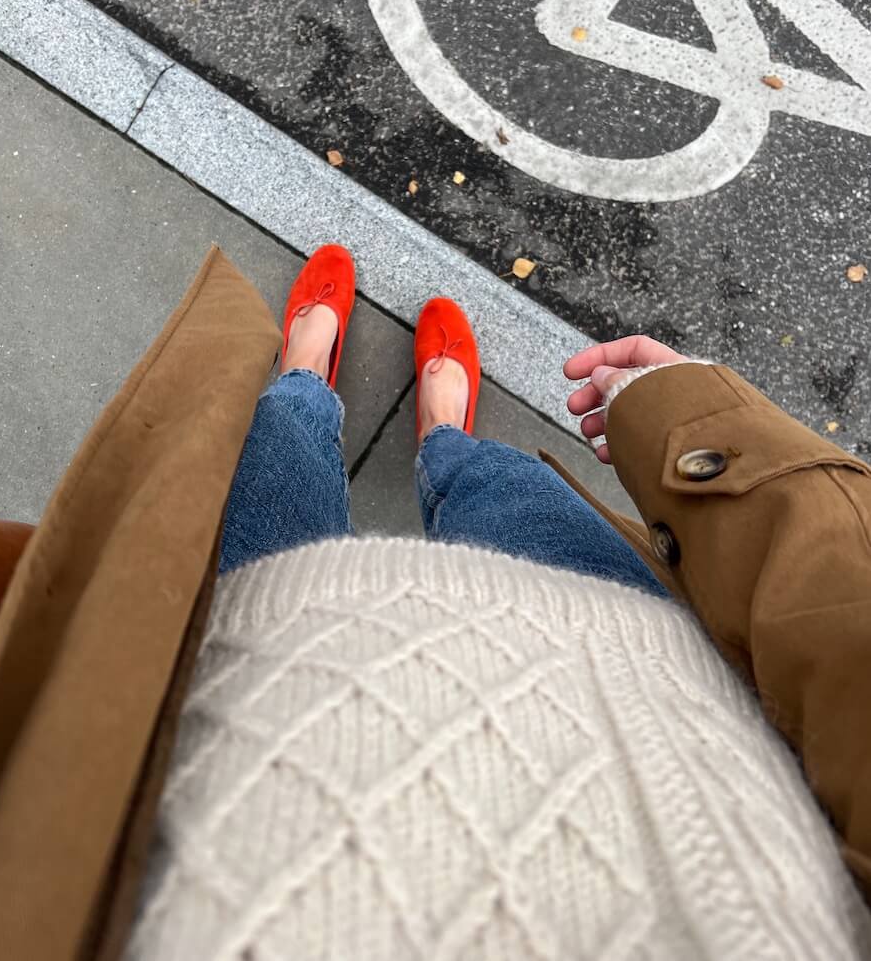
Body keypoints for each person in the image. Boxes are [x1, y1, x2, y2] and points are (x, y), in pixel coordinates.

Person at [124, 247, 871, 960]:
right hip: (630, 690)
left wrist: (709, 429)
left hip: (242, 746)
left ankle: (307, 377)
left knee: (274, 460)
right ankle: (442, 436)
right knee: (504, 491)